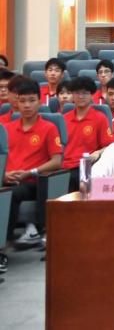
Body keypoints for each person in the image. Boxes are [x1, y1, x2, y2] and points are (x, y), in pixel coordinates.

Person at [4, 79, 62, 251]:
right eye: (22, 101)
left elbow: (57, 161)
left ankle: (4, 244)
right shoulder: (6, 129)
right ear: (17, 102)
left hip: (32, 181)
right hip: (8, 179)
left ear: (39, 101)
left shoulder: (49, 128)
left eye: (31, 100)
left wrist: (30, 172)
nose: (27, 105)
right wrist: (4, 175)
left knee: (11, 194)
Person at [62, 77, 114, 187]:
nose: (81, 96)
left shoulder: (100, 118)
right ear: (72, 95)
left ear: (91, 95)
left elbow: (109, 146)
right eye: (77, 93)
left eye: (85, 93)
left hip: (86, 166)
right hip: (63, 167)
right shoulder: (64, 119)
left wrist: (98, 152)